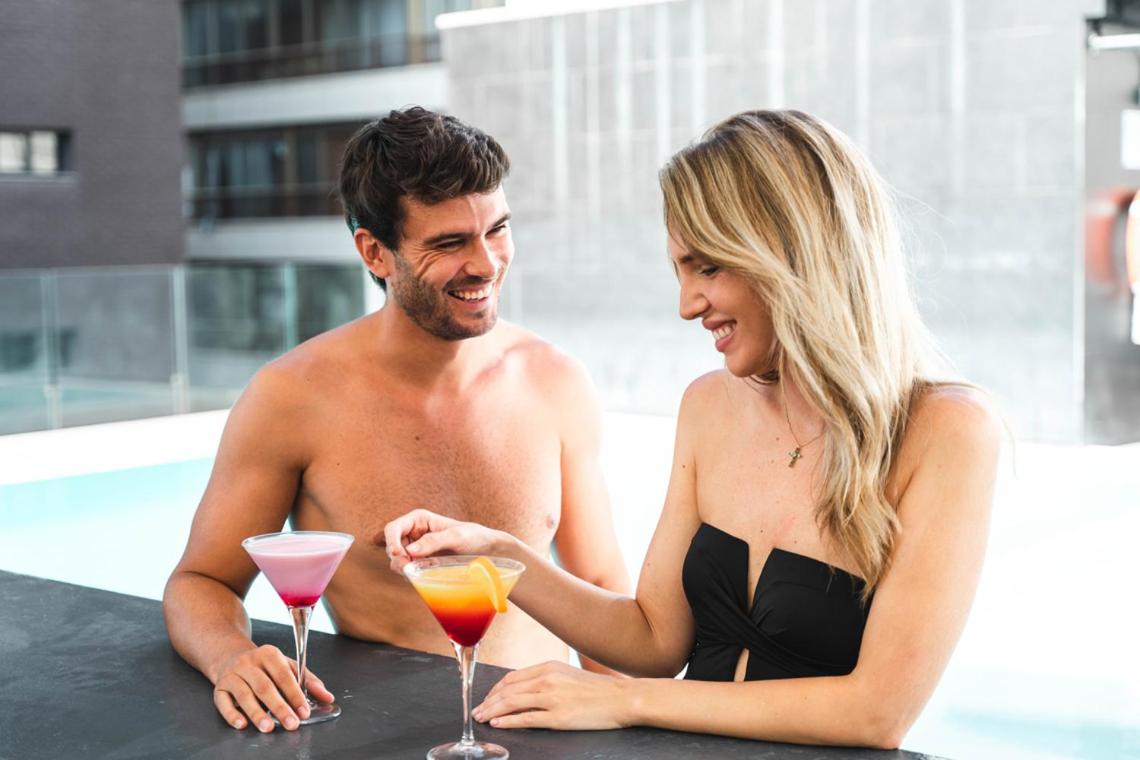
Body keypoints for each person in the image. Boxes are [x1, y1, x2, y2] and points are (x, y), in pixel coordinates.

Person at [383, 109, 1001, 749]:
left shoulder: (947, 430)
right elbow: (654, 639)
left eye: (707, 268)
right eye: (680, 271)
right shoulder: (708, 405)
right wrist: (500, 555)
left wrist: (625, 699)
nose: (686, 306)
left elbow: (877, 713)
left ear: (793, 251)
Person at [163, 107, 630, 734]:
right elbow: (201, 580)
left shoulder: (555, 380)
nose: (487, 263)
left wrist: (634, 727)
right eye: (449, 243)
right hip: (385, 736)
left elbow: (599, 584)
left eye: (497, 229)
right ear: (375, 252)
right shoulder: (293, 397)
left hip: (545, 734)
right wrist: (231, 656)